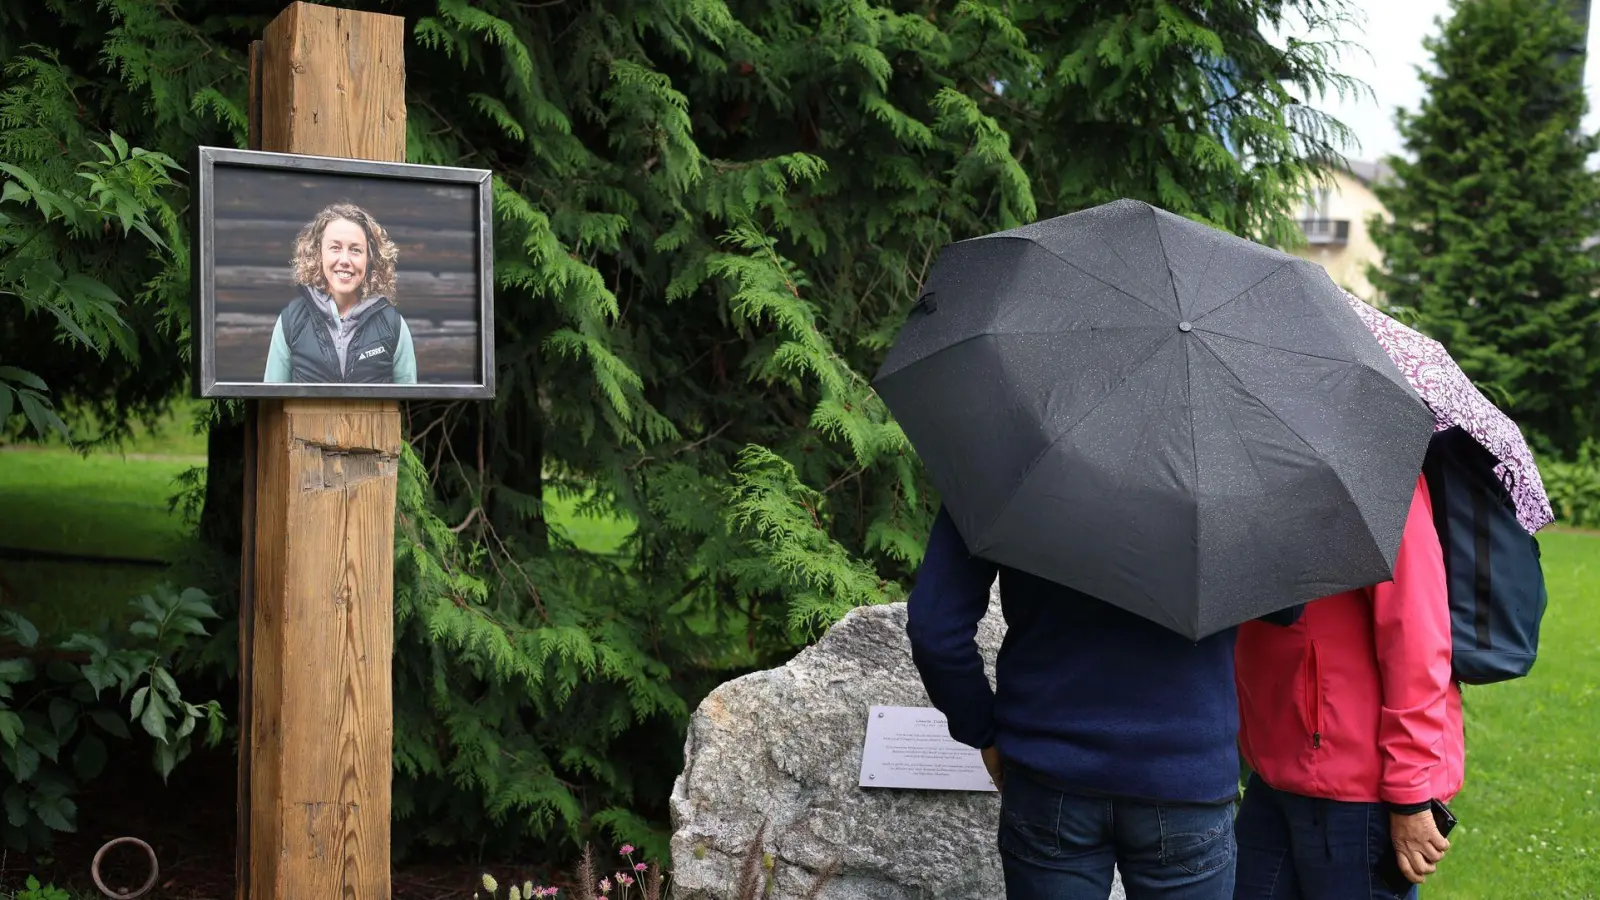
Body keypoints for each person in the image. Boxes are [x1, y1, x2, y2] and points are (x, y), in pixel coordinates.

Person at [906, 503, 1251, 900]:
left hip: (1049, 772)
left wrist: (982, 730)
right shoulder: (1229, 473)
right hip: (1188, 774)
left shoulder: (1007, 454)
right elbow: (1284, 608)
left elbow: (935, 631)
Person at [1232, 474, 1461, 900]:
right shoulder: (1255, 471)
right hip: (1274, 774)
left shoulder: (1378, 479)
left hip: (1359, 792)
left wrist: (1410, 794)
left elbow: (1417, 640)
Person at [262, 202, 417, 384]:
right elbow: (271, 403)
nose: (344, 260)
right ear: (318, 253)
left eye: (355, 250)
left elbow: (406, 404)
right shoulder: (291, 321)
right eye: (335, 247)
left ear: (370, 259)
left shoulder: (393, 325)